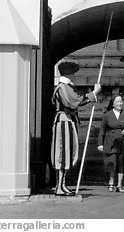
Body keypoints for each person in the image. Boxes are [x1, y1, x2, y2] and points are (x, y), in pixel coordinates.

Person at [51, 61, 101, 196]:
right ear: (68, 74)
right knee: (62, 153)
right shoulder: (63, 87)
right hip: (64, 122)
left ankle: (62, 185)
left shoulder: (66, 87)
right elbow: (75, 102)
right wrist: (94, 93)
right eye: (73, 74)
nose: (74, 76)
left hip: (68, 121)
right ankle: (59, 186)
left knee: (67, 153)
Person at [97, 95, 124, 193]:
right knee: (112, 161)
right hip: (110, 141)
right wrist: (100, 144)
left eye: (121, 101)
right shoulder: (107, 115)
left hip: (122, 141)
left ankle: (119, 184)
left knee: (121, 163)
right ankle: (111, 182)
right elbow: (102, 130)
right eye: (117, 102)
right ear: (113, 104)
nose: (120, 103)